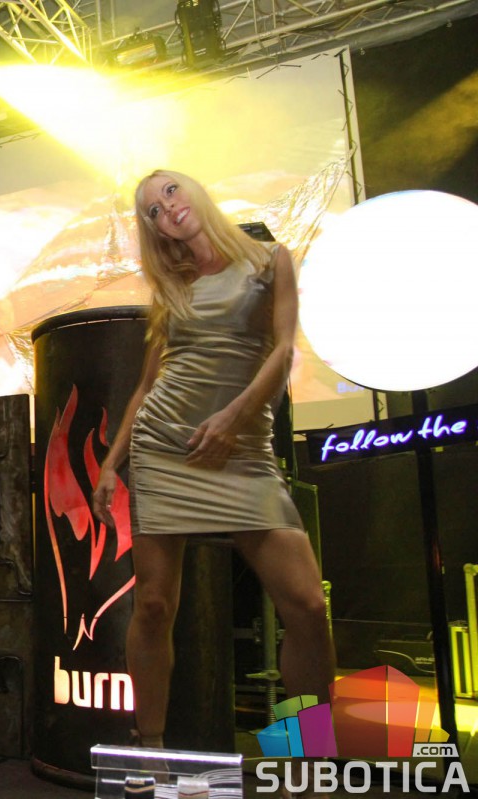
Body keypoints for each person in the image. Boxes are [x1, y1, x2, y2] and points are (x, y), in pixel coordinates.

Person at [91, 170, 334, 749]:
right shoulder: (173, 287)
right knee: (154, 605)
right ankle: (150, 751)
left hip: (242, 449)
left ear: (196, 189)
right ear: (155, 230)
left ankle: (308, 758)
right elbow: (146, 386)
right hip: (164, 448)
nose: (166, 208)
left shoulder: (270, 260)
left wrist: (234, 419)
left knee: (306, 605)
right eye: (152, 210)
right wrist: (110, 464)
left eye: (170, 191)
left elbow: (283, 349)